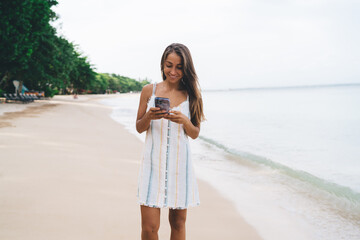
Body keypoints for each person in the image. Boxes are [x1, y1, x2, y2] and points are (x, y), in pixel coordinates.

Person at [136, 43, 205, 240]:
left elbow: (195, 133)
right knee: (149, 228)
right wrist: (149, 116)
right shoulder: (149, 91)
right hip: (152, 167)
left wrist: (184, 121)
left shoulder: (193, 96)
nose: (173, 71)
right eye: (169, 65)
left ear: (186, 68)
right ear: (162, 64)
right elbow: (139, 127)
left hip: (179, 169)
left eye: (179, 67)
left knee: (178, 224)